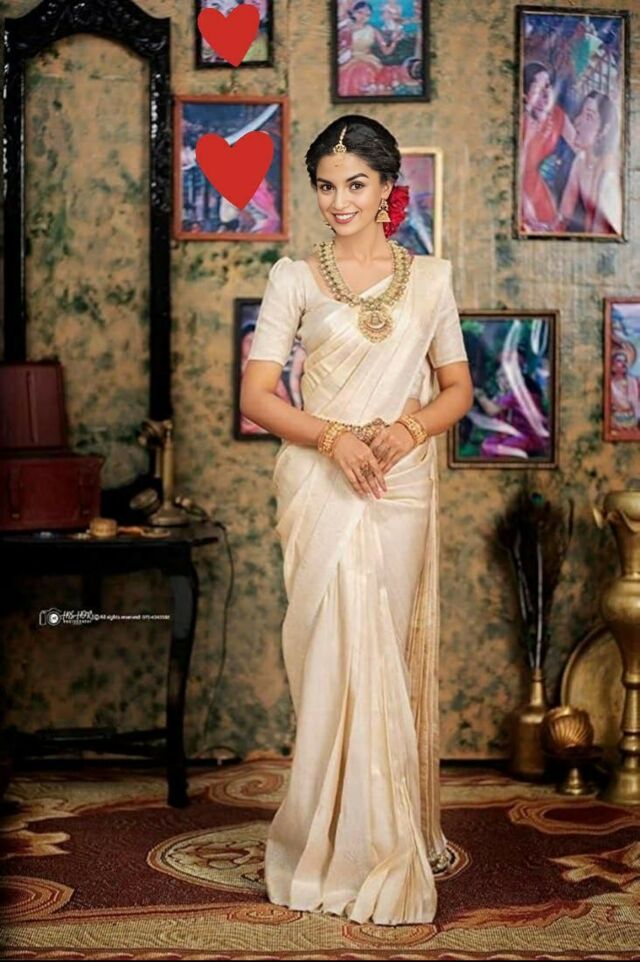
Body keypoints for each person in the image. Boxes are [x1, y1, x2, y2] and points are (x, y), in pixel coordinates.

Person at [240, 115, 473, 926]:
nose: (339, 201)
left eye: (356, 184)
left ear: (386, 188)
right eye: (326, 186)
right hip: (321, 485)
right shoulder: (294, 279)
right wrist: (334, 439)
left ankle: (383, 842)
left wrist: (407, 431)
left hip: (398, 488)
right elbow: (257, 396)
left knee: (381, 654)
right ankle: (326, 845)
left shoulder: (432, 280)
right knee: (334, 660)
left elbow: (457, 389)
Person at [519, 62, 576, 233]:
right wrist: (525, 206)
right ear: (525, 96)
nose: (545, 94)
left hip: (536, 184)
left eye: (548, 86)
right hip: (516, 185)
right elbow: (517, 170)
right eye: (537, 89)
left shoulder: (557, 114)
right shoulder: (521, 122)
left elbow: (579, 145)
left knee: (553, 228)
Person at [555, 90, 622, 235]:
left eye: (589, 117)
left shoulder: (608, 167)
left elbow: (601, 230)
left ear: (604, 130)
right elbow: (564, 215)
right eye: (581, 114)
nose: (578, 121)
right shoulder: (580, 161)